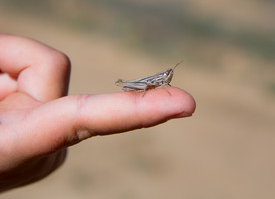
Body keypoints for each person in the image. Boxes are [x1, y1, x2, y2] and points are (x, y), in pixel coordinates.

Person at [0, 34, 196, 192]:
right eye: (168, 73)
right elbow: (156, 82)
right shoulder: (159, 79)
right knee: (142, 85)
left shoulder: (165, 81)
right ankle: (125, 84)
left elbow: (163, 84)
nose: (168, 76)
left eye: (169, 75)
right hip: (142, 84)